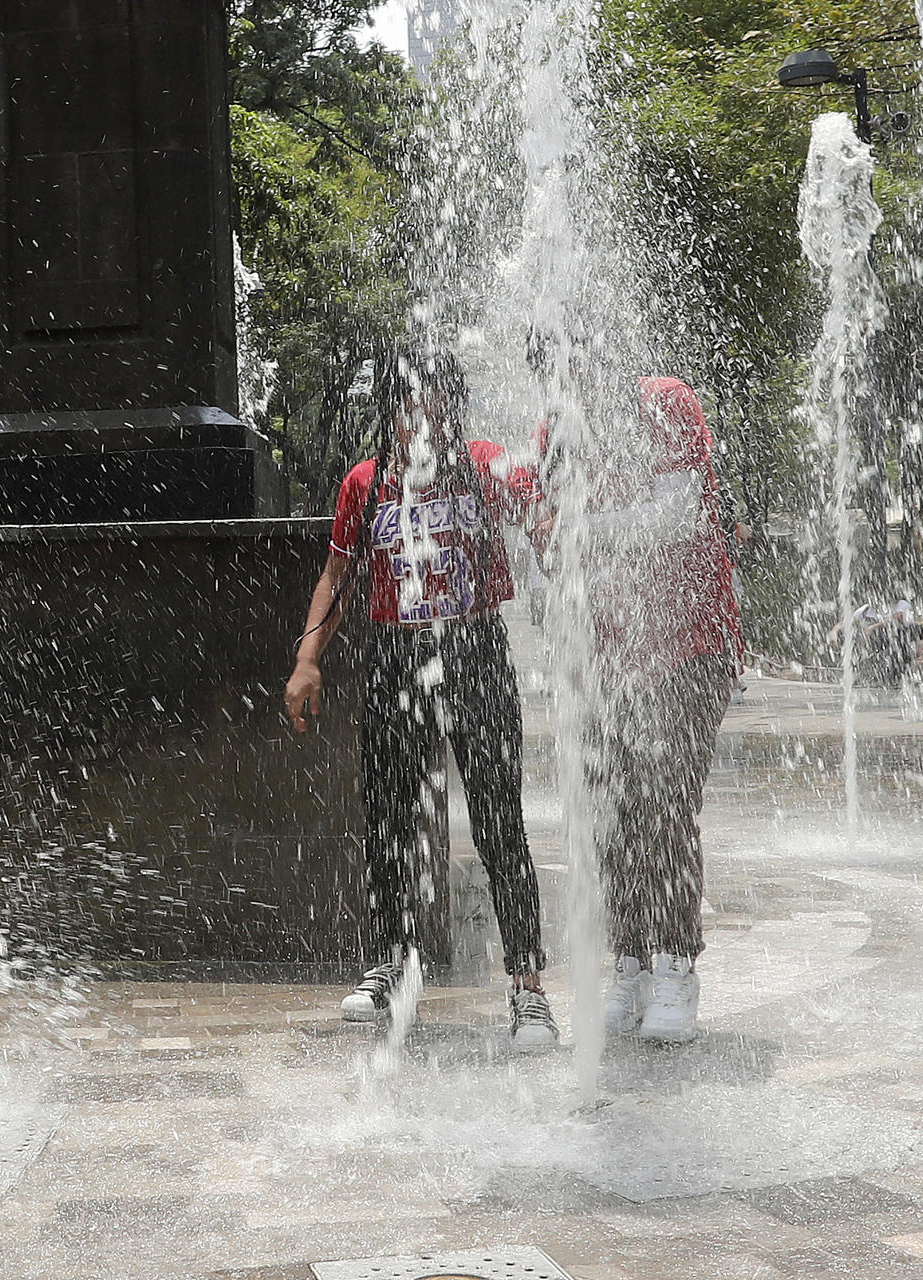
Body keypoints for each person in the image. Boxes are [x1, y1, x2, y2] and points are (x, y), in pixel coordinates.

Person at [283, 345, 559, 1053]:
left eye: (431, 397)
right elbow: (335, 578)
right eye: (406, 399)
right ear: (390, 407)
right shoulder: (366, 485)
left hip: (476, 654)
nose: (419, 413)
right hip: (395, 659)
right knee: (388, 824)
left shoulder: (485, 465)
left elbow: (548, 529)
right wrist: (307, 660)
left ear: (450, 403)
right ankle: (393, 963)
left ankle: (529, 990)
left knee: (500, 827)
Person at [538, 377, 741, 1044]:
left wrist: (578, 532)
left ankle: (677, 964)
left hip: (687, 647)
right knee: (613, 815)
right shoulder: (555, 434)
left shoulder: (665, 402)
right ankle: (630, 964)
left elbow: (676, 519)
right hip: (608, 659)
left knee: (665, 804)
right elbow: (549, 549)